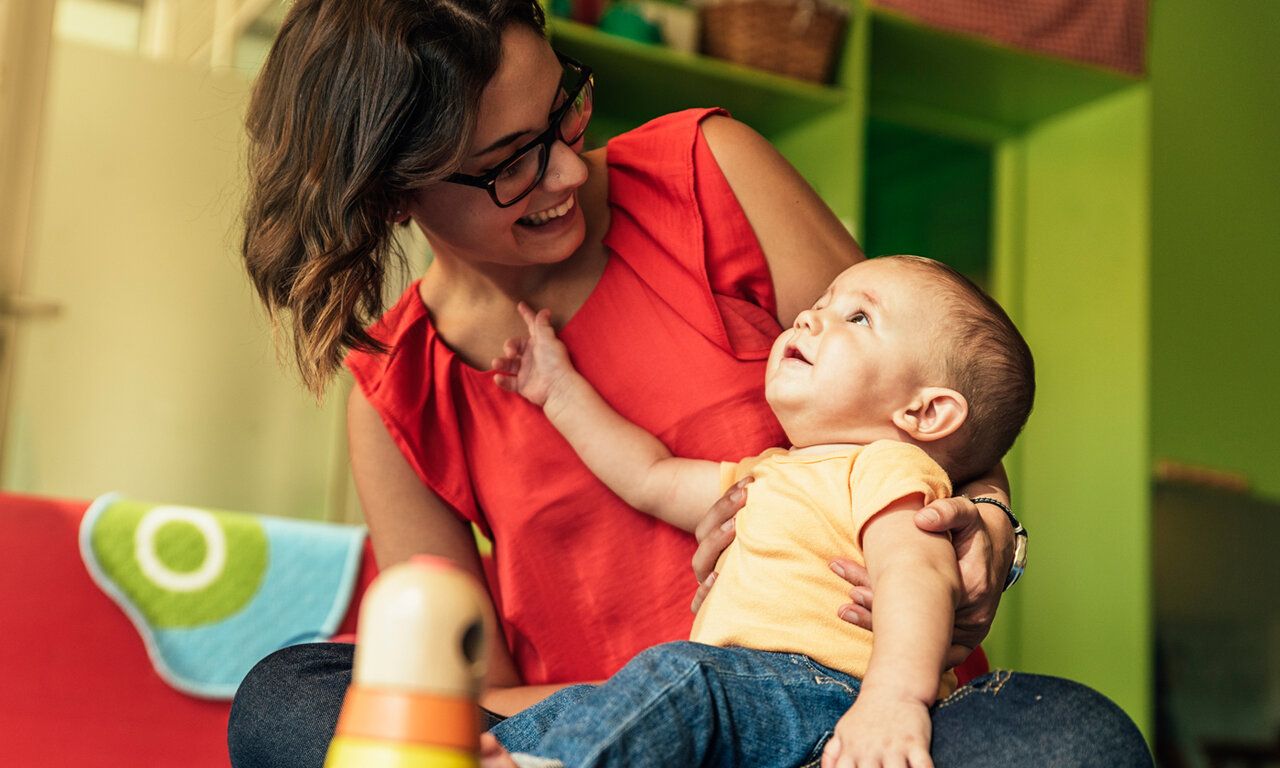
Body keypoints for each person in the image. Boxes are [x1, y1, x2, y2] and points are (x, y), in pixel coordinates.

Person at [226, 0, 1150, 766]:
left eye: (565, 110)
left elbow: (929, 398)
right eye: (509, 163)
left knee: (1076, 743)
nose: (561, 169)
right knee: (286, 698)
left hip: (857, 709)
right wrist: (667, 700)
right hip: (604, 727)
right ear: (394, 193)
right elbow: (455, 681)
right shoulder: (398, 391)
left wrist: (988, 525)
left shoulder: (710, 172)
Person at [470, 255, 1086, 767]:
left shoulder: (889, 469)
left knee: (679, 676)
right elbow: (649, 476)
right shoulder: (768, 472)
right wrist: (556, 391)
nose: (810, 316)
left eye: (858, 315)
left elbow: (917, 576)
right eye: (822, 300)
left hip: (829, 696)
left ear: (923, 414)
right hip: (751, 697)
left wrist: (892, 699)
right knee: (586, 705)